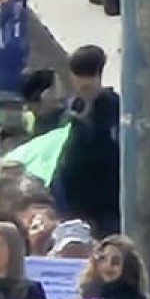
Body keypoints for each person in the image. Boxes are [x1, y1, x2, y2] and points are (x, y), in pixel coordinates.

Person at [53, 45, 122, 237]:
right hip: (73, 206)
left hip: (106, 205)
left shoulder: (113, 109)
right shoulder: (72, 110)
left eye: (89, 82)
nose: (84, 87)